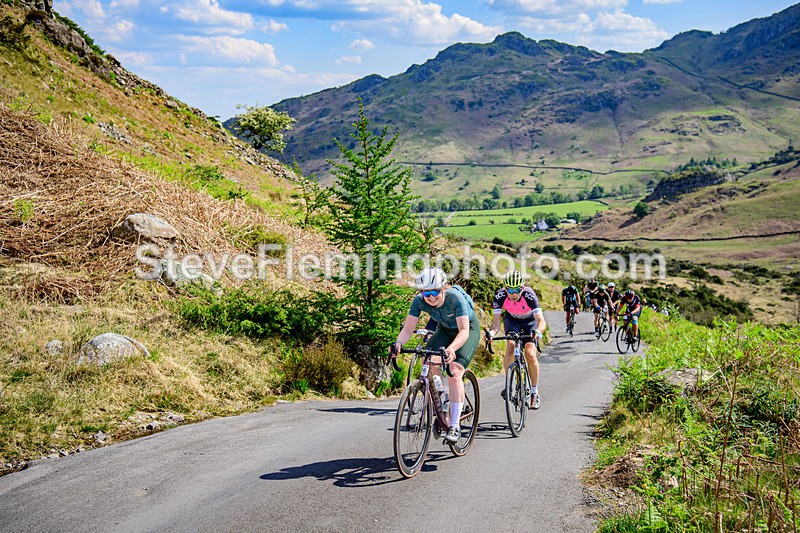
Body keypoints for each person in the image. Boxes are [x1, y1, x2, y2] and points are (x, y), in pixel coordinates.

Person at [390, 267, 481, 443]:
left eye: (435, 292)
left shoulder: (455, 298)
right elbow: (408, 328)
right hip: (444, 329)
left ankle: (454, 425)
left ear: (443, 288)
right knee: (428, 360)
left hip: (467, 329)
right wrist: (398, 343)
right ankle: (444, 397)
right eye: (426, 293)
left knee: (454, 371)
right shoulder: (419, 301)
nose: (431, 297)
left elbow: (464, 331)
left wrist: (452, 349)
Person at [488, 271, 547, 410]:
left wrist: (538, 332)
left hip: (529, 322)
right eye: (510, 290)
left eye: (517, 290)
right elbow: (496, 324)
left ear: (522, 288)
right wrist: (490, 333)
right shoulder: (500, 296)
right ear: (505, 288)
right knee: (510, 344)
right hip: (512, 320)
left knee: (530, 354)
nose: (513, 294)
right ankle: (510, 384)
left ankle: (534, 392)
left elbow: (541, 321)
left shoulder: (529, 295)